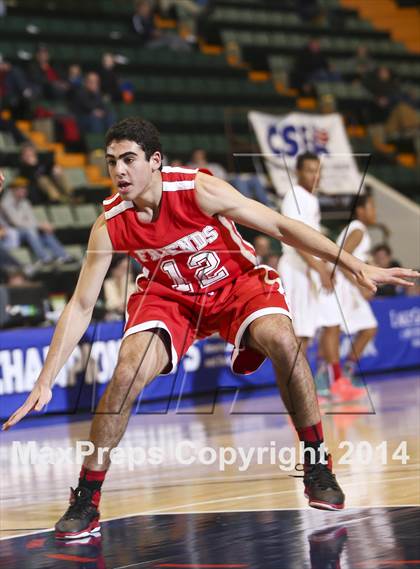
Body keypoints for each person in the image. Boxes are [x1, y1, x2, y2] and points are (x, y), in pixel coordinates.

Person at [2, 119, 417, 541]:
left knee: (283, 340)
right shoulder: (110, 223)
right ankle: (87, 497)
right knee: (125, 374)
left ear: (155, 161)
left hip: (236, 285)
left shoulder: (198, 189)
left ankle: (316, 463)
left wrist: (354, 265)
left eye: (129, 159)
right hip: (172, 297)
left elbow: (279, 226)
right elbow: (81, 304)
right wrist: (45, 379)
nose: (119, 171)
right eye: (111, 163)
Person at [278, 153, 363, 401]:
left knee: (322, 325)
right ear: (297, 172)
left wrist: (321, 267)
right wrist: (320, 269)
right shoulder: (295, 196)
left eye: (318, 170)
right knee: (301, 334)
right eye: (309, 170)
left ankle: (326, 383)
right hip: (297, 267)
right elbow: (294, 238)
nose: (315, 175)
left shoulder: (310, 199)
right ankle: (297, 392)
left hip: (311, 267)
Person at [318, 192, 378, 389]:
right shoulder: (358, 230)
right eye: (372, 207)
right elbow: (341, 258)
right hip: (342, 284)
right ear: (360, 210)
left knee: (363, 328)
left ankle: (342, 374)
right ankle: (330, 378)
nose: (375, 211)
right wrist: (359, 287)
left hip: (344, 283)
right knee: (333, 329)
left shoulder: (358, 230)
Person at [1, 177, 73, 266]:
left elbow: (32, 220)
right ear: (13, 190)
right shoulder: (5, 203)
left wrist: (40, 226)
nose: (24, 191)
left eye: (24, 188)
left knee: (44, 232)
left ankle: (64, 256)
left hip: (25, 230)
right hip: (11, 233)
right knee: (31, 231)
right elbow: (16, 223)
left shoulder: (25, 202)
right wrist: (39, 225)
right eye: (21, 188)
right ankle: (45, 259)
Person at [103, 255, 136, 319]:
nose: (126, 273)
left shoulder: (133, 285)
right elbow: (111, 304)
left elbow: (129, 306)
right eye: (123, 269)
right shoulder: (108, 283)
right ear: (114, 269)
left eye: (128, 270)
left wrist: (124, 285)